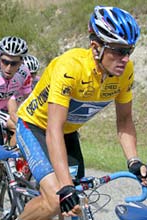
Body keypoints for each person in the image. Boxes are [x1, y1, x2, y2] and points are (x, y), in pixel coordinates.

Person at [16, 6, 147, 220]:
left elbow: (124, 120)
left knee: (76, 204)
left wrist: (133, 161)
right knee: (56, 199)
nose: (125, 58)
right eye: (118, 50)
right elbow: (53, 128)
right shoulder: (70, 67)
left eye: (129, 50)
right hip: (35, 126)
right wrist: (65, 185)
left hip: (68, 132)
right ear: (96, 47)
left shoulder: (125, 72)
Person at [0, 35, 32, 146]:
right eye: (5, 62)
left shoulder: (24, 74)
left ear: (21, 62)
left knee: (0, 157)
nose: (9, 67)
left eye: (14, 63)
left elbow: (29, 99)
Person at [0, 54, 40, 146]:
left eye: (33, 74)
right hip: (4, 112)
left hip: (20, 113)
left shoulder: (37, 82)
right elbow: (12, 113)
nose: (31, 78)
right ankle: (11, 157)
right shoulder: (13, 83)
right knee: (21, 129)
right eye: (29, 74)